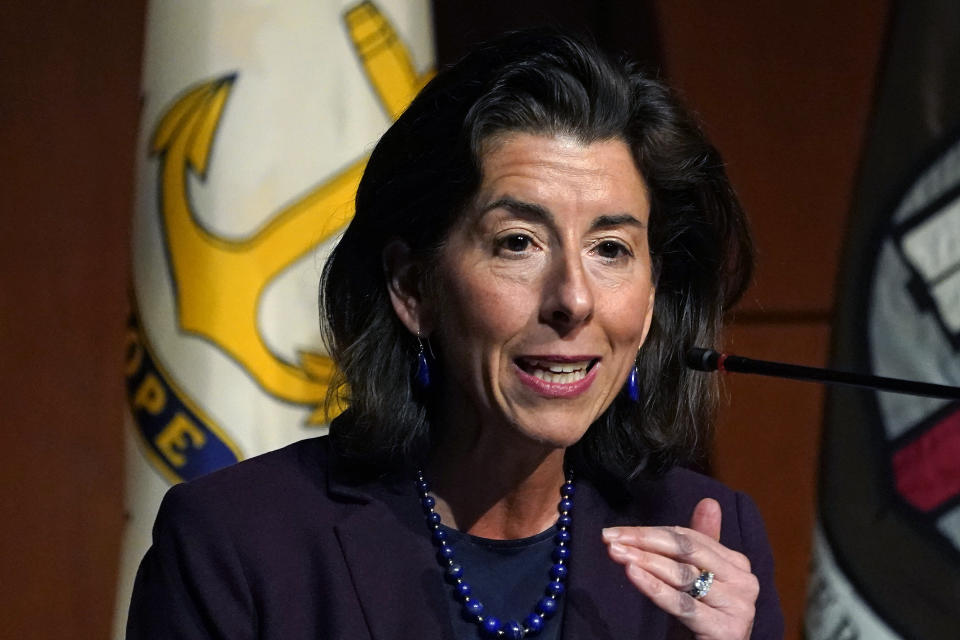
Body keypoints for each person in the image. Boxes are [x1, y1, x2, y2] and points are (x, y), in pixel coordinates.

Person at [128, 29, 783, 639]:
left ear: (649, 300)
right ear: (414, 289)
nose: (574, 300)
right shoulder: (237, 543)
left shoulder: (714, 546)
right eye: (518, 243)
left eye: (611, 249)